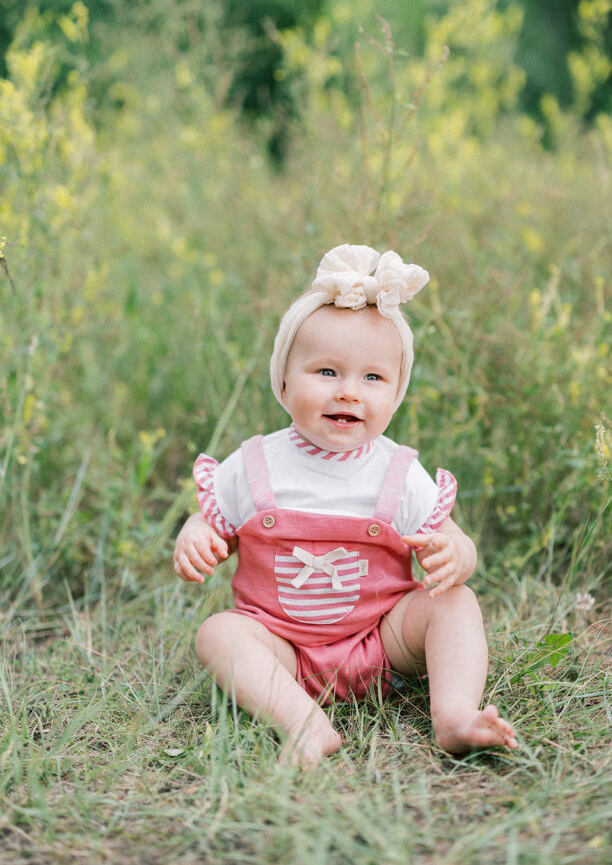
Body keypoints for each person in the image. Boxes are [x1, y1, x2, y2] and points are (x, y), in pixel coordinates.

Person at [173, 244, 517, 766]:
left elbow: (450, 534)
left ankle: (455, 715)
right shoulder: (254, 464)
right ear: (284, 383)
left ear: (396, 393)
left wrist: (456, 554)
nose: (349, 393)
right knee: (218, 633)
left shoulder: (397, 472)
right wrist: (196, 534)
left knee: (455, 602)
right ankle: (303, 723)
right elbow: (212, 521)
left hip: (383, 641)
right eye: (327, 372)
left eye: (372, 378)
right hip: (283, 649)